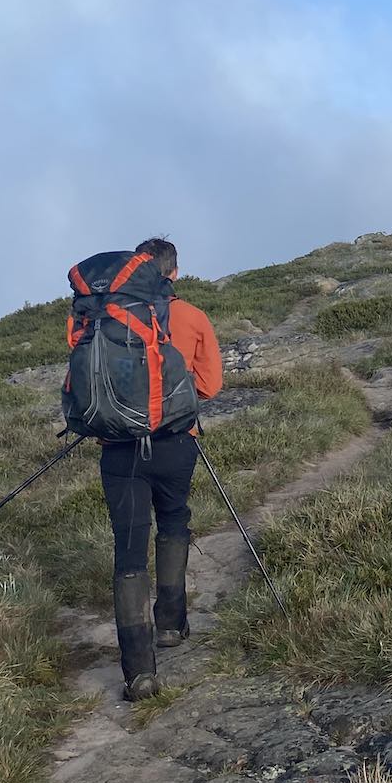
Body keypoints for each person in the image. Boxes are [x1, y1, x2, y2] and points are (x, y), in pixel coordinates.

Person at [103, 235, 223, 700]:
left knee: (128, 549)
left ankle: (139, 673)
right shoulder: (192, 316)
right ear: (174, 273)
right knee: (174, 520)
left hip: (118, 450)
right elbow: (210, 385)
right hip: (176, 443)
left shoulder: (103, 318)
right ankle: (171, 623)